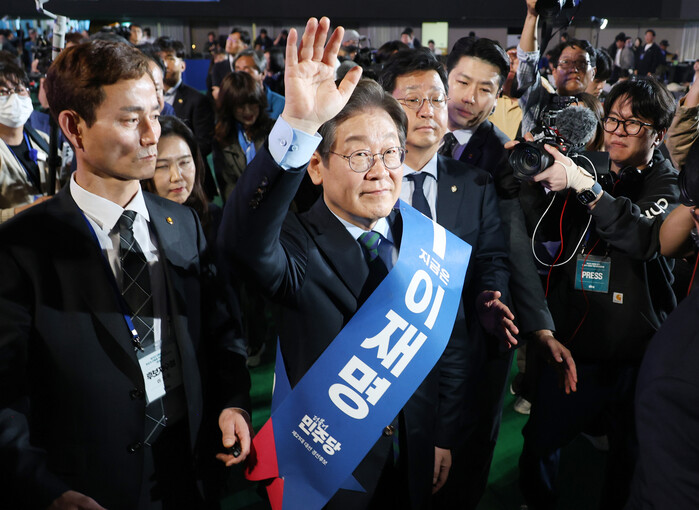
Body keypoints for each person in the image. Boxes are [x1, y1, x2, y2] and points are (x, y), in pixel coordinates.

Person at [221, 17, 467, 508]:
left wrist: (442, 433)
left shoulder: (428, 241)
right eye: (358, 156)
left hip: (413, 456)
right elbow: (242, 239)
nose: (380, 172)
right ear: (316, 165)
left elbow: (446, 347)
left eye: (391, 153)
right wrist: (298, 126)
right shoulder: (293, 242)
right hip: (329, 473)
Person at [0, 40, 252, 509]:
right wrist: (44, 489)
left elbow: (221, 333)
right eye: (131, 120)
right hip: (89, 486)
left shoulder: (183, 222)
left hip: (192, 470)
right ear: (74, 127)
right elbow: (5, 395)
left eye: (155, 114)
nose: (153, 134)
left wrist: (232, 402)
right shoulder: (21, 247)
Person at [379, 47, 532, 510]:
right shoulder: (366, 180)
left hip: (452, 357)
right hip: (377, 356)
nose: (428, 110)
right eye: (412, 100)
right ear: (386, 106)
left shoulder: (475, 183)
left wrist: (490, 297)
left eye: (436, 98)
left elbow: (491, 258)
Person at [517, 76, 680, 510]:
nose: (618, 131)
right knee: (541, 440)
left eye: (634, 123)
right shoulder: (586, 165)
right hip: (573, 342)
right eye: (612, 120)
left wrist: (585, 187)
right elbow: (537, 225)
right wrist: (536, 173)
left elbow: (642, 237)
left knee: (628, 455)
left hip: (635, 350)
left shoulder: (668, 185)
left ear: (659, 133)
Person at [440, 36, 574, 508]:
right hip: (406, 311)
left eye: (485, 89)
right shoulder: (398, 135)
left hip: (481, 315)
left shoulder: (507, 156)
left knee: (473, 441)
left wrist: (538, 325)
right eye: (462, 82)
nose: (469, 97)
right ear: (445, 77)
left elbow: (514, 243)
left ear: (500, 95)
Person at [515, 0, 597, 135]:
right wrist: (532, 16)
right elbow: (527, 67)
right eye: (566, 62)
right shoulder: (538, 104)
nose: (574, 69)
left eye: (581, 63)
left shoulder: (603, 114)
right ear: (554, 71)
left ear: (593, 72)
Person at [0, 58, 55, 222]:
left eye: (19, 90)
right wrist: (24, 212)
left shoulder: (43, 140)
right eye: (3, 92)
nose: (14, 97)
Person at [213, 71, 273, 199]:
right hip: (241, 206)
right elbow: (228, 187)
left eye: (252, 103)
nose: (247, 111)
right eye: (240, 106)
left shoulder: (274, 130)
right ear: (229, 107)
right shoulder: (221, 138)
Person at [233, 49, 285, 119]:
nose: (240, 76)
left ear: (263, 74)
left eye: (246, 71)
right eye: (237, 71)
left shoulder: (282, 106)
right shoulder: (230, 102)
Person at [211, 28, 250, 100]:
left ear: (245, 46)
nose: (229, 43)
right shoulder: (218, 67)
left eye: (234, 41)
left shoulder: (250, 66)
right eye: (229, 39)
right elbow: (216, 93)